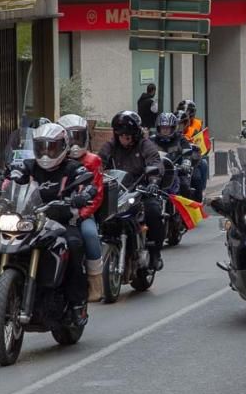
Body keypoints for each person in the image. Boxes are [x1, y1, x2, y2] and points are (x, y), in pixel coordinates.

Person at [9, 123, 91, 321]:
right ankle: (11, 290)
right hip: (31, 221)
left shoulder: (73, 167)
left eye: (51, 147)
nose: (45, 154)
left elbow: (87, 183)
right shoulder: (28, 166)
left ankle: (77, 303)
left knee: (75, 244)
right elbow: (11, 177)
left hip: (62, 223)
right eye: (41, 147)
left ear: (63, 147)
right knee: (3, 240)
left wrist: (83, 195)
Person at [98, 111, 166, 270]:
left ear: (135, 134)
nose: (123, 139)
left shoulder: (145, 145)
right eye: (120, 135)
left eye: (127, 135)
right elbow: (98, 162)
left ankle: (155, 253)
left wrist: (154, 181)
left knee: (154, 211)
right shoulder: (110, 146)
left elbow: (155, 162)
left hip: (140, 190)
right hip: (116, 191)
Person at [56, 114, 105, 302]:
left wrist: (81, 214)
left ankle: (95, 282)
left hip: (82, 214)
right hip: (56, 212)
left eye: (79, 136)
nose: (75, 143)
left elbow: (97, 193)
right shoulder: (55, 158)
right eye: (71, 137)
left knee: (90, 235)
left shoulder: (92, 160)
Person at [176, 100, 208, 202]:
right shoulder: (172, 123)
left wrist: (200, 147)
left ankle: (201, 192)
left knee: (202, 165)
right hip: (175, 156)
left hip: (192, 155)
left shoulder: (197, 125)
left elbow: (202, 140)